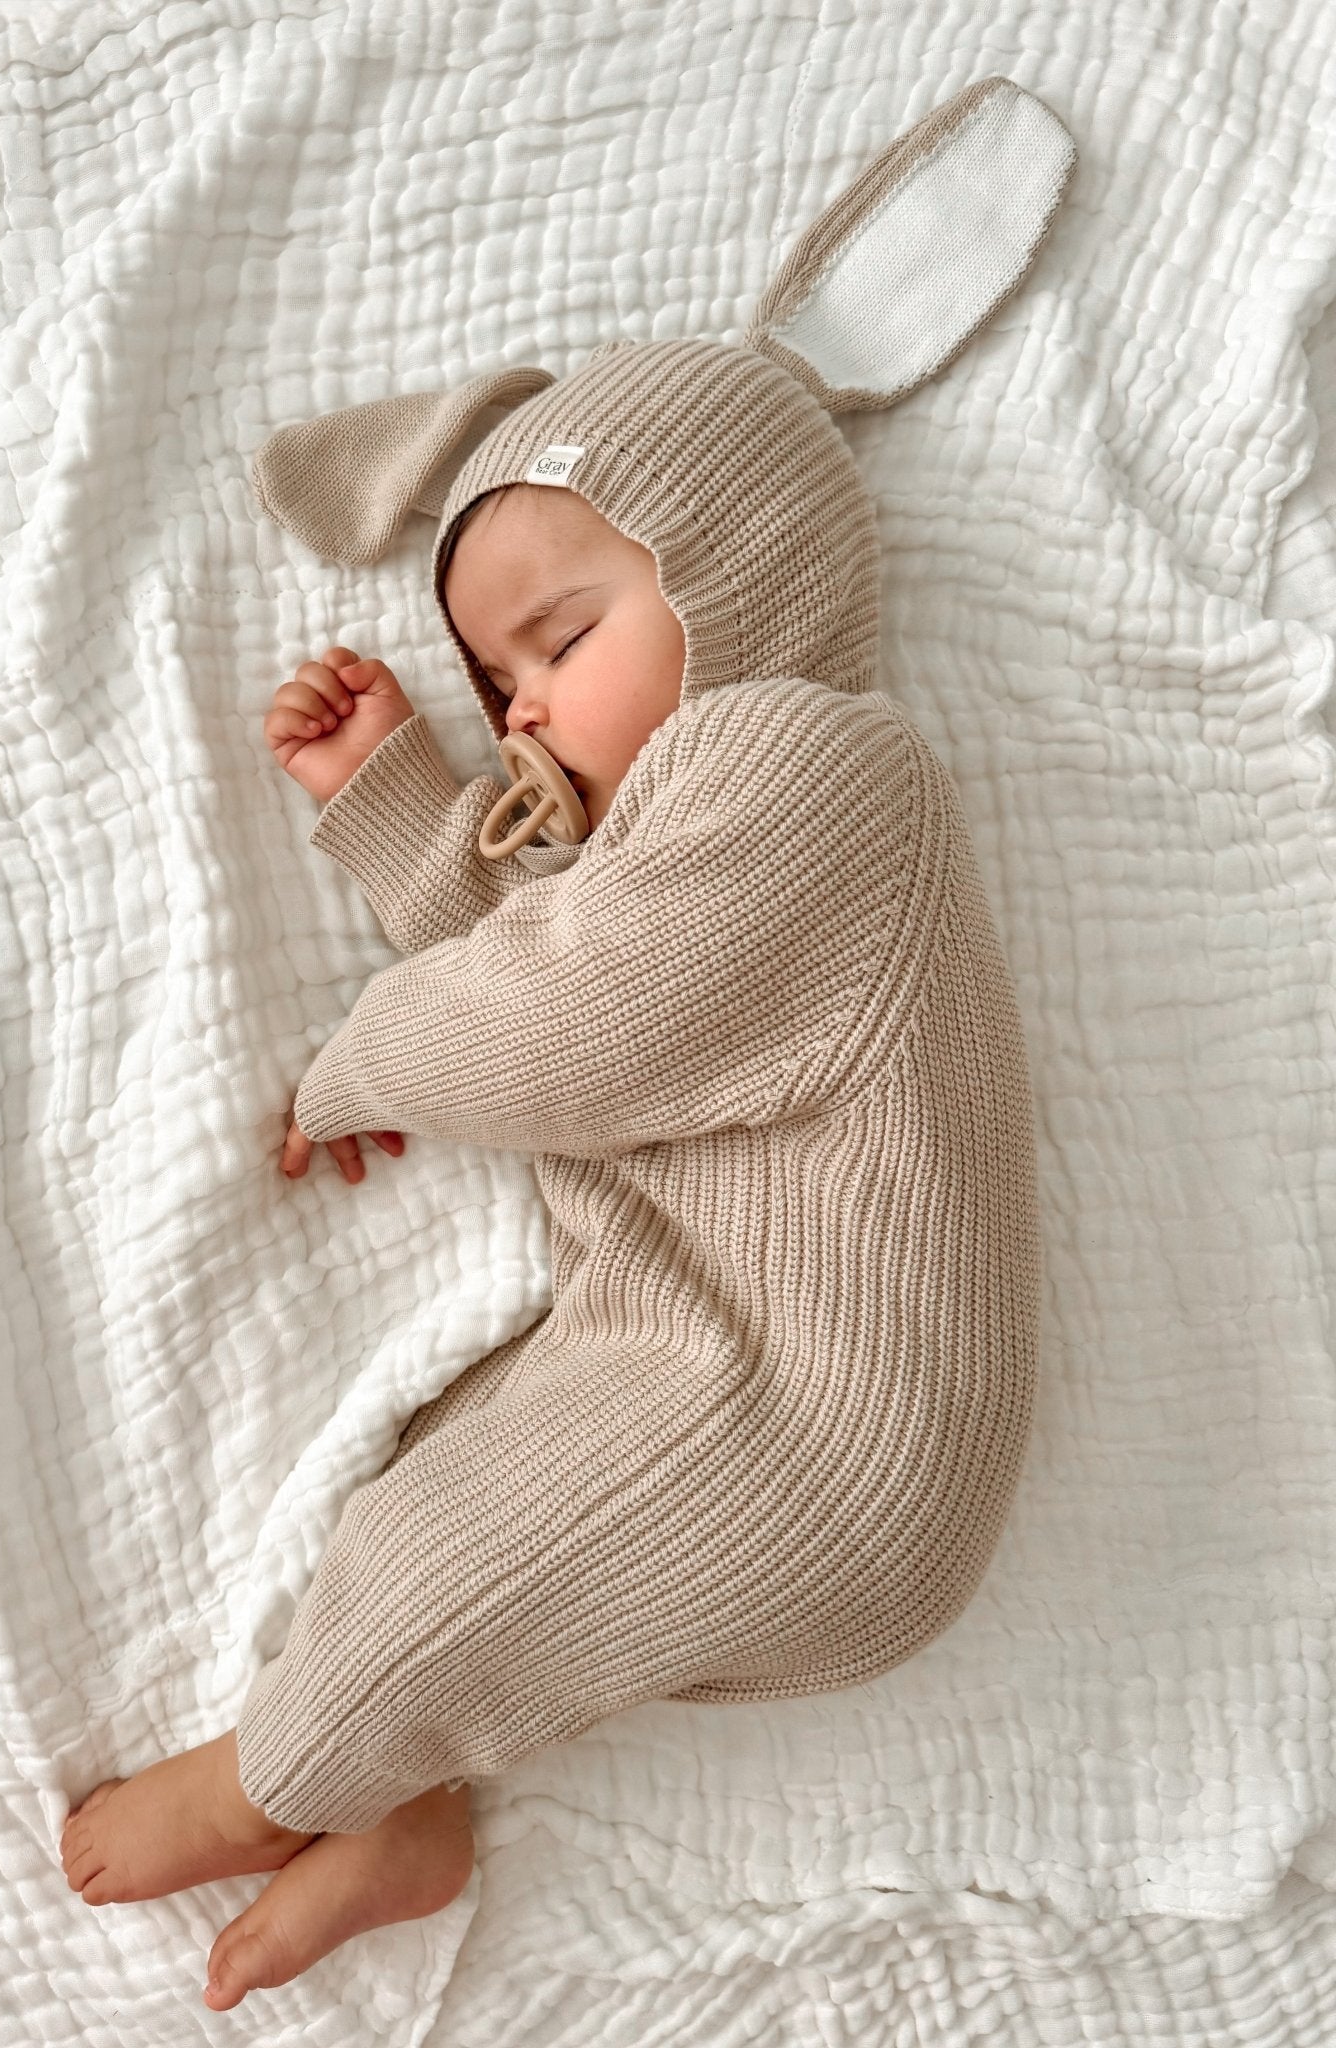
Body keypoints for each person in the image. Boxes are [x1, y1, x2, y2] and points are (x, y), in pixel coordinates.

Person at [59, 336, 1044, 2011]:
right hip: (712, 1358)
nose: (515, 705)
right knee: (445, 1482)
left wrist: (364, 1057)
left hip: (820, 1411)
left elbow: (573, 1030)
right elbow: (567, 958)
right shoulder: (697, 833)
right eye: (492, 673)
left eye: (562, 639)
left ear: (738, 578)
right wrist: (397, 803)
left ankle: (277, 1777)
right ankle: (410, 1810)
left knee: (445, 1567)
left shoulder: (817, 767)